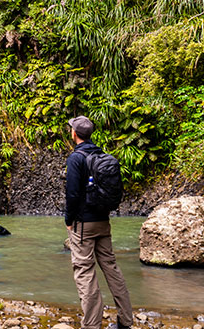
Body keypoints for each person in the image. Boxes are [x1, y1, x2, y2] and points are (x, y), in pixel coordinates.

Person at [65, 115, 132, 329]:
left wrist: (68, 220)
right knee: (111, 268)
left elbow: (73, 194)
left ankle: (92, 325)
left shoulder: (76, 158)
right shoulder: (101, 155)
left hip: (83, 225)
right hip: (103, 221)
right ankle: (125, 321)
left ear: (74, 133)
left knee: (84, 271)